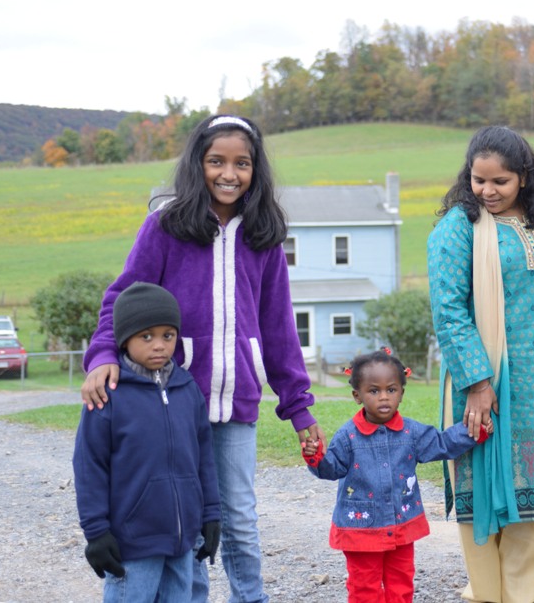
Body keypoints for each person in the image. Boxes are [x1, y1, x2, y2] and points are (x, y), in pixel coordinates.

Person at [81, 114, 324, 603]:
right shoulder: (166, 227)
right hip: (172, 402)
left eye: (242, 163)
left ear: (256, 170)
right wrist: (102, 352)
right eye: (216, 161)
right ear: (198, 164)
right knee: (186, 519)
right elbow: (122, 297)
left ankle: (250, 597)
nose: (228, 173)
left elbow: (278, 326)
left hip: (238, 407)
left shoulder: (265, 236)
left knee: (237, 517)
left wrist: (297, 406)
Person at [427, 125, 534, 603]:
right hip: (483, 381)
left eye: (499, 182)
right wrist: (478, 383)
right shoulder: (456, 228)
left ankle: (526, 594)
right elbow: (448, 310)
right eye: (478, 179)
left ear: (524, 178)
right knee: (482, 488)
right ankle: (488, 592)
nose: (486, 191)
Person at [302, 349, 489, 602]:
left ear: (402, 392)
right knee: (364, 588)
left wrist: (472, 431)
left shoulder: (411, 432)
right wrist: (316, 456)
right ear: (357, 396)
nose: (383, 398)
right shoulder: (348, 436)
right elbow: (330, 469)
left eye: (391, 390)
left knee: (401, 584)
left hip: (401, 527)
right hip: (361, 531)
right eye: (374, 391)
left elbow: (442, 443)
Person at [74, 282, 221, 602]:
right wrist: (96, 532)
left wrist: (211, 514)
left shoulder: (187, 389)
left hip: (182, 542)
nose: (159, 345)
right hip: (132, 544)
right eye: (147, 336)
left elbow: (204, 459)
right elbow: (89, 466)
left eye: (168, 335)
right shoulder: (107, 396)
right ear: (125, 338)